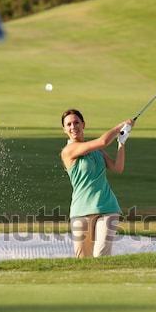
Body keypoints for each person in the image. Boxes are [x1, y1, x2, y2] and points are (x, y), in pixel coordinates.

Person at [61, 109, 133, 258]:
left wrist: (121, 143)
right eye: (69, 124)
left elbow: (117, 168)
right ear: (64, 129)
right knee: (83, 259)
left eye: (76, 122)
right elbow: (103, 141)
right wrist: (120, 126)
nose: (73, 126)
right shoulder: (68, 150)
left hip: (107, 207)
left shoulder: (97, 151)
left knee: (101, 255)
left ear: (83, 124)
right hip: (81, 211)